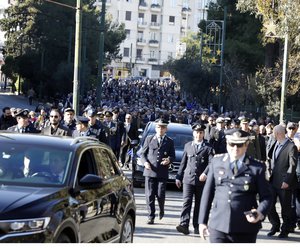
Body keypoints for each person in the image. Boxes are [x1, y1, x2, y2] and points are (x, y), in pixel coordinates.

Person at [198, 128, 273, 243]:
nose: (235, 148)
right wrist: (202, 222)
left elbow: (267, 196)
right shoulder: (216, 162)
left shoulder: (257, 167)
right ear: (227, 143)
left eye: (239, 145)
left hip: (245, 226)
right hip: (218, 225)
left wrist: (260, 212)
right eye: (232, 144)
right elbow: (207, 194)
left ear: (246, 144)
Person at [175, 123, 214, 235]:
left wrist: (205, 173)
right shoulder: (188, 145)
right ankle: (184, 224)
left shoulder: (208, 147)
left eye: (201, 132)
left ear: (203, 134)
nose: (199, 135)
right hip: (188, 179)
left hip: (201, 180)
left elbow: (211, 163)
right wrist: (178, 176)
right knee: (186, 202)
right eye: (197, 132)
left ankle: (197, 226)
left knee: (199, 203)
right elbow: (183, 163)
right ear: (193, 133)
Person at [140, 118, 175, 224]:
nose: (161, 129)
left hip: (162, 172)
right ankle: (151, 216)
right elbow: (142, 154)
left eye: (163, 127)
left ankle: (161, 209)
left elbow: (172, 156)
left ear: (166, 129)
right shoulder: (149, 139)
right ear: (156, 128)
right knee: (149, 195)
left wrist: (168, 160)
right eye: (159, 127)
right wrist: (145, 162)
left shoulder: (169, 141)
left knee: (160, 194)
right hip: (150, 171)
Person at [267, 124, 298, 238]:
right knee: (269, 204)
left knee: (286, 208)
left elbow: (292, 165)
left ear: (278, 133)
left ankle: (285, 229)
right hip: (273, 181)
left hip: (284, 183)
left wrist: (287, 181)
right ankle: (275, 225)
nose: (272, 135)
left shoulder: (291, 146)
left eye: (274, 133)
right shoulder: (276, 143)